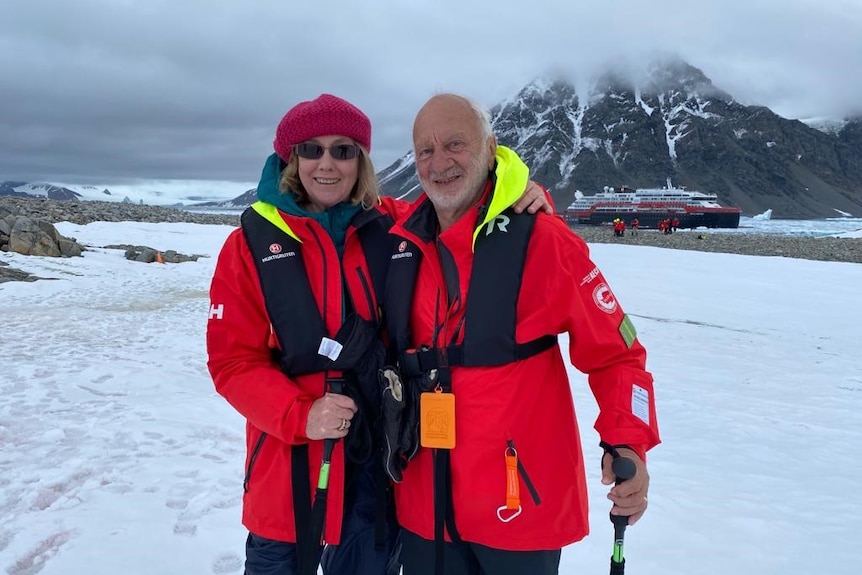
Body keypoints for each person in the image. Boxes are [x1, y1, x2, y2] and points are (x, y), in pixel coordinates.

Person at [206, 93, 551, 575]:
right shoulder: (248, 246)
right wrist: (300, 416)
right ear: (290, 159)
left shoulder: (396, 226)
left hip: (376, 470)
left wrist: (522, 192)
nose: (327, 164)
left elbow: (466, 210)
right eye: (311, 149)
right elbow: (231, 363)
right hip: (285, 475)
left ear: (362, 161)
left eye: (344, 150)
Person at [379, 94, 661, 575]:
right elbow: (335, 196)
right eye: (424, 151)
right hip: (426, 509)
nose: (439, 162)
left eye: (454, 145)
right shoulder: (400, 240)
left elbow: (620, 356)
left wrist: (628, 441)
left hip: (518, 505)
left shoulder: (543, 241)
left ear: (490, 149)